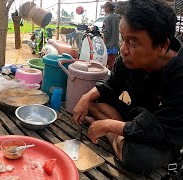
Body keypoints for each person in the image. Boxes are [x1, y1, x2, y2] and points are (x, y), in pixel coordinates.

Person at [73, 0, 183, 175]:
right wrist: (86, 97)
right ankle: (117, 137)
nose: (123, 50)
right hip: (131, 117)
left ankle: (111, 135)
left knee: (138, 158)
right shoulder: (127, 59)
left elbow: (159, 129)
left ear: (162, 46)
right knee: (93, 103)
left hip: (162, 134)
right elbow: (111, 84)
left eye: (133, 43)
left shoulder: (179, 74)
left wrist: (109, 126)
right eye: (123, 39)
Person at [101, 1, 120, 70]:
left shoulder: (107, 18)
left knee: (105, 64)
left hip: (108, 45)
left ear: (108, 8)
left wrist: (104, 43)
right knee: (111, 64)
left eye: (104, 8)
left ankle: (105, 78)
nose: (104, 9)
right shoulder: (117, 17)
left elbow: (106, 32)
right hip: (115, 44)